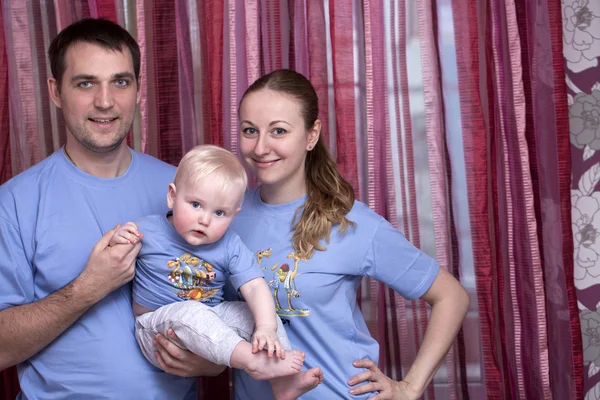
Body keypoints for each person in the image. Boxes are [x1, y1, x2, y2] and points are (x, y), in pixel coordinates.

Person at [0, 18, 222, 399]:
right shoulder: (14, 202)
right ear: (55, 91)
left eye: (120, 81)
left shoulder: (186, 188)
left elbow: (238, 303)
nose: (105, 101)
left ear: (137, 89)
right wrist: (90, 287)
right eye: (85, 83)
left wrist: (215, 361)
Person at [224, 69, 471, 399]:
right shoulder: (227, 217)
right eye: (249, 131)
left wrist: (409, 388)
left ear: (311, 135)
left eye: (278, 131)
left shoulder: (350, 223)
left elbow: (452, 296)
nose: (261, 146)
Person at [110, 144, 322, 399]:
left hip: (212, 327)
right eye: (196, 204)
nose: (205, 219)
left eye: (219, 212)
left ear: (234, 215)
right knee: (191, 311)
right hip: (155, 329)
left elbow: (254, 286)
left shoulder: (229, 244)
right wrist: (118, 238)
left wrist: (265, 327)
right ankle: (249, 360)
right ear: (172, 196)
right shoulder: (147, 231)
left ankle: (283, 383)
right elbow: (113, 255)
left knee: (254, 311)